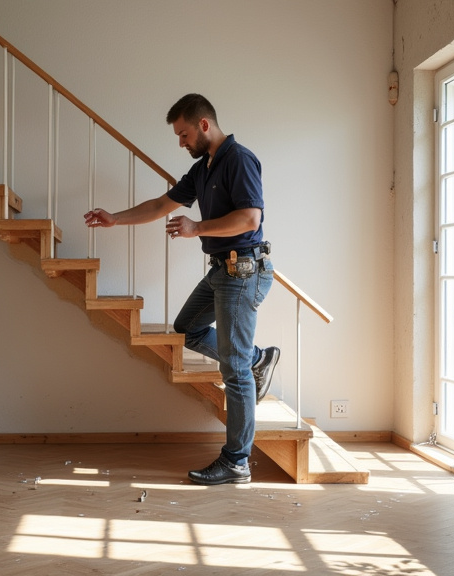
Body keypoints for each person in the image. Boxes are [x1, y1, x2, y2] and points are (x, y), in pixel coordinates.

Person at [83, 93, 280, 485]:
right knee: (187, 327)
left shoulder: (239, 159)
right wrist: (113, 220)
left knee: (233, 369)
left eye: (184, 134)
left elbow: (248, 218)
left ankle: (237, 461)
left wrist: (196, 229)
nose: (181, 142)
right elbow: (161, 205)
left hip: (243, 269)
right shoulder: (205, 167)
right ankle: (259, 358)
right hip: (223, 270)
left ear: (204, 125)